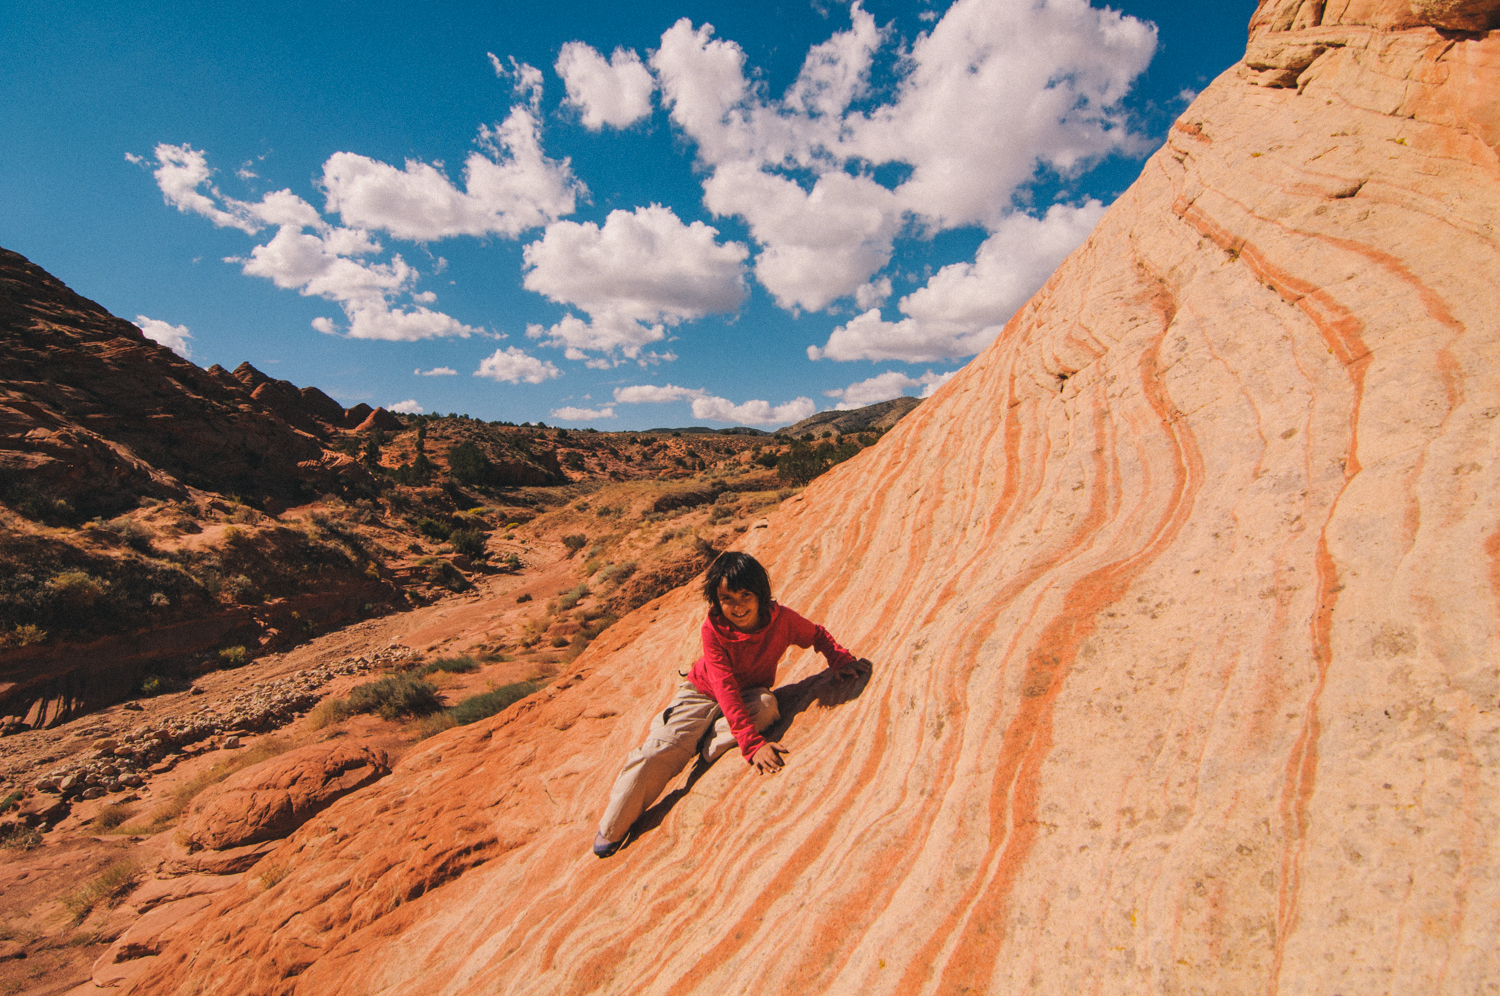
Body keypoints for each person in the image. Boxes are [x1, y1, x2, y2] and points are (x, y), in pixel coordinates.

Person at [593, 551, 871, 857]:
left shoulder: (782, 621)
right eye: (727, 598)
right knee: (657, 752)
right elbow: (724, 686)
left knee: (766, 707)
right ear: (715, 600)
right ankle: (611, 829)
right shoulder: (713, 630)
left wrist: (840, 659)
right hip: (701, 693)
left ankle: (706, 744)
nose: (737, 606)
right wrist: (751, 744)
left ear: (760, 595)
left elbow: (816, 635)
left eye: (745, 595)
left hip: (749, 692)